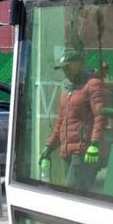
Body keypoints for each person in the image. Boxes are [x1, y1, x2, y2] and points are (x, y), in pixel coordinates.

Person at [39, 45, 107, 193]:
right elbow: (61, 122)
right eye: (63, 68)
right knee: (75, 195)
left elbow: (100, 115)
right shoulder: (68, 89)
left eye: (68, 67)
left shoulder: (93, 85)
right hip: (68, 152)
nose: (65, 71)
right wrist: (49, 146)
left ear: (80, 64)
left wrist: (94, 143)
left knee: (72, 193)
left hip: (85, 153)